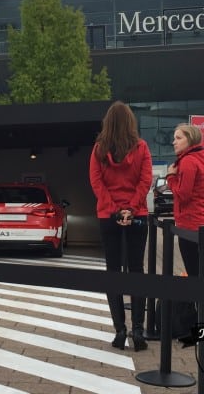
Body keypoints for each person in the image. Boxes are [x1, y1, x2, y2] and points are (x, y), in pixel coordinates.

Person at [89, 100, 152, 352]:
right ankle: (138, 329)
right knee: (137, 270)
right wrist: (131, 208)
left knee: (113, 271)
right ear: (130, 123)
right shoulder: (142, 147)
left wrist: (114, 209)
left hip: (108, 216)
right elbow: (145, 180)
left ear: (108, 123)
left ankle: (119, 331)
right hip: (137, 216)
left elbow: (96, 183)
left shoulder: (98, 150)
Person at [166, 123, 204, 277]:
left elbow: (183, 195)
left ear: (190, 140)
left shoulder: (188, 161)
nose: (174, 142)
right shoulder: (200, 158)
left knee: (194, 273)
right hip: (200, 222)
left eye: (178, 138)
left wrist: (170, 176)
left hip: (190, 225)